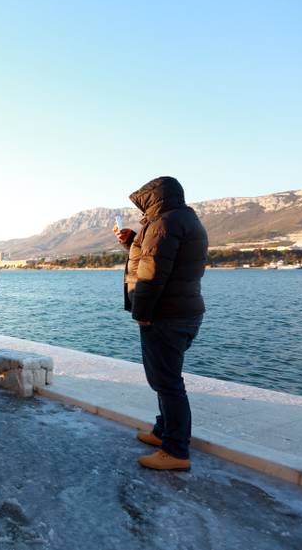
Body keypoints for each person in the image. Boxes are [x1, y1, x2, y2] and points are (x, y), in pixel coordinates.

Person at [115, 176, 208, 471]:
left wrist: (141, 312)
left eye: (144, 201)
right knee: (165, 377)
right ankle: (162, 431)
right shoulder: (182, 220)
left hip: (165, 314)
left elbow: (152, 273)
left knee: (167, 383)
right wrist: (133, 240)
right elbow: (159, 256)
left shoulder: (163, 224)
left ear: (154, 198)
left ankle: (176, 449)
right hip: (183, 310)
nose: (142, 207)